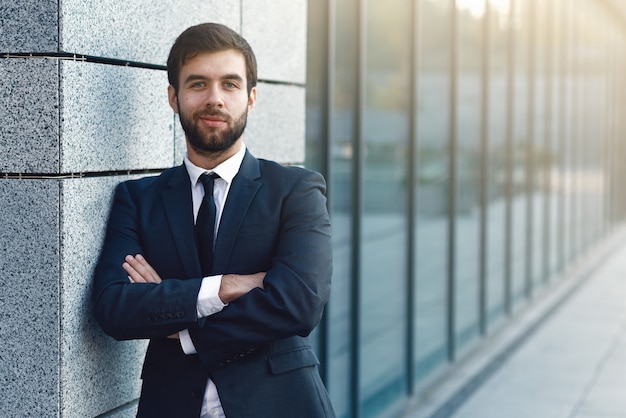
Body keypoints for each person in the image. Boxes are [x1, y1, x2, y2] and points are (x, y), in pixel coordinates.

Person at [92, 22, 335, 418]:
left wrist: (181, 321)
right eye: (198, 84)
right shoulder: (138, 199)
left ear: (251, 98)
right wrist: (226, 288)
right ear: (174, 97)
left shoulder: (296, 190)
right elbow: (114, 306)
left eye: (230, 84)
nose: (215, 99)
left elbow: (299, 303)